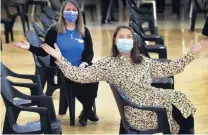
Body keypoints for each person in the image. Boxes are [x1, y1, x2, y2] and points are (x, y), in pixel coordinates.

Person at [15, 25, 208, 133]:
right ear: (115, 41)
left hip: (152, 100)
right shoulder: (108, 64)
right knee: (183, 117)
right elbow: (79, 75)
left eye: (128, 36)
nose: (125, 39)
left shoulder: (142, 61)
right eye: (121, 36)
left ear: (133, 41)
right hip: (141, 112)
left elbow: (168, 69)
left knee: (182, 105)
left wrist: (191, 54)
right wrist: (60, 59)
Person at [13, 0, 99, 127]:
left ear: (78, 13)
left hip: (80, 67)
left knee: (94, 78)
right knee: (78, 84)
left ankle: (85, 112)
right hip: (61, 70)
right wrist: (30, 47)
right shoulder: (55, 30)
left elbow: (89, 52)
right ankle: (87, 112)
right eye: (68, 10)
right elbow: (44, 51)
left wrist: (85, 63)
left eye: (74, 10)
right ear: (63, 12)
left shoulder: (84, 30)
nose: (71, 12)